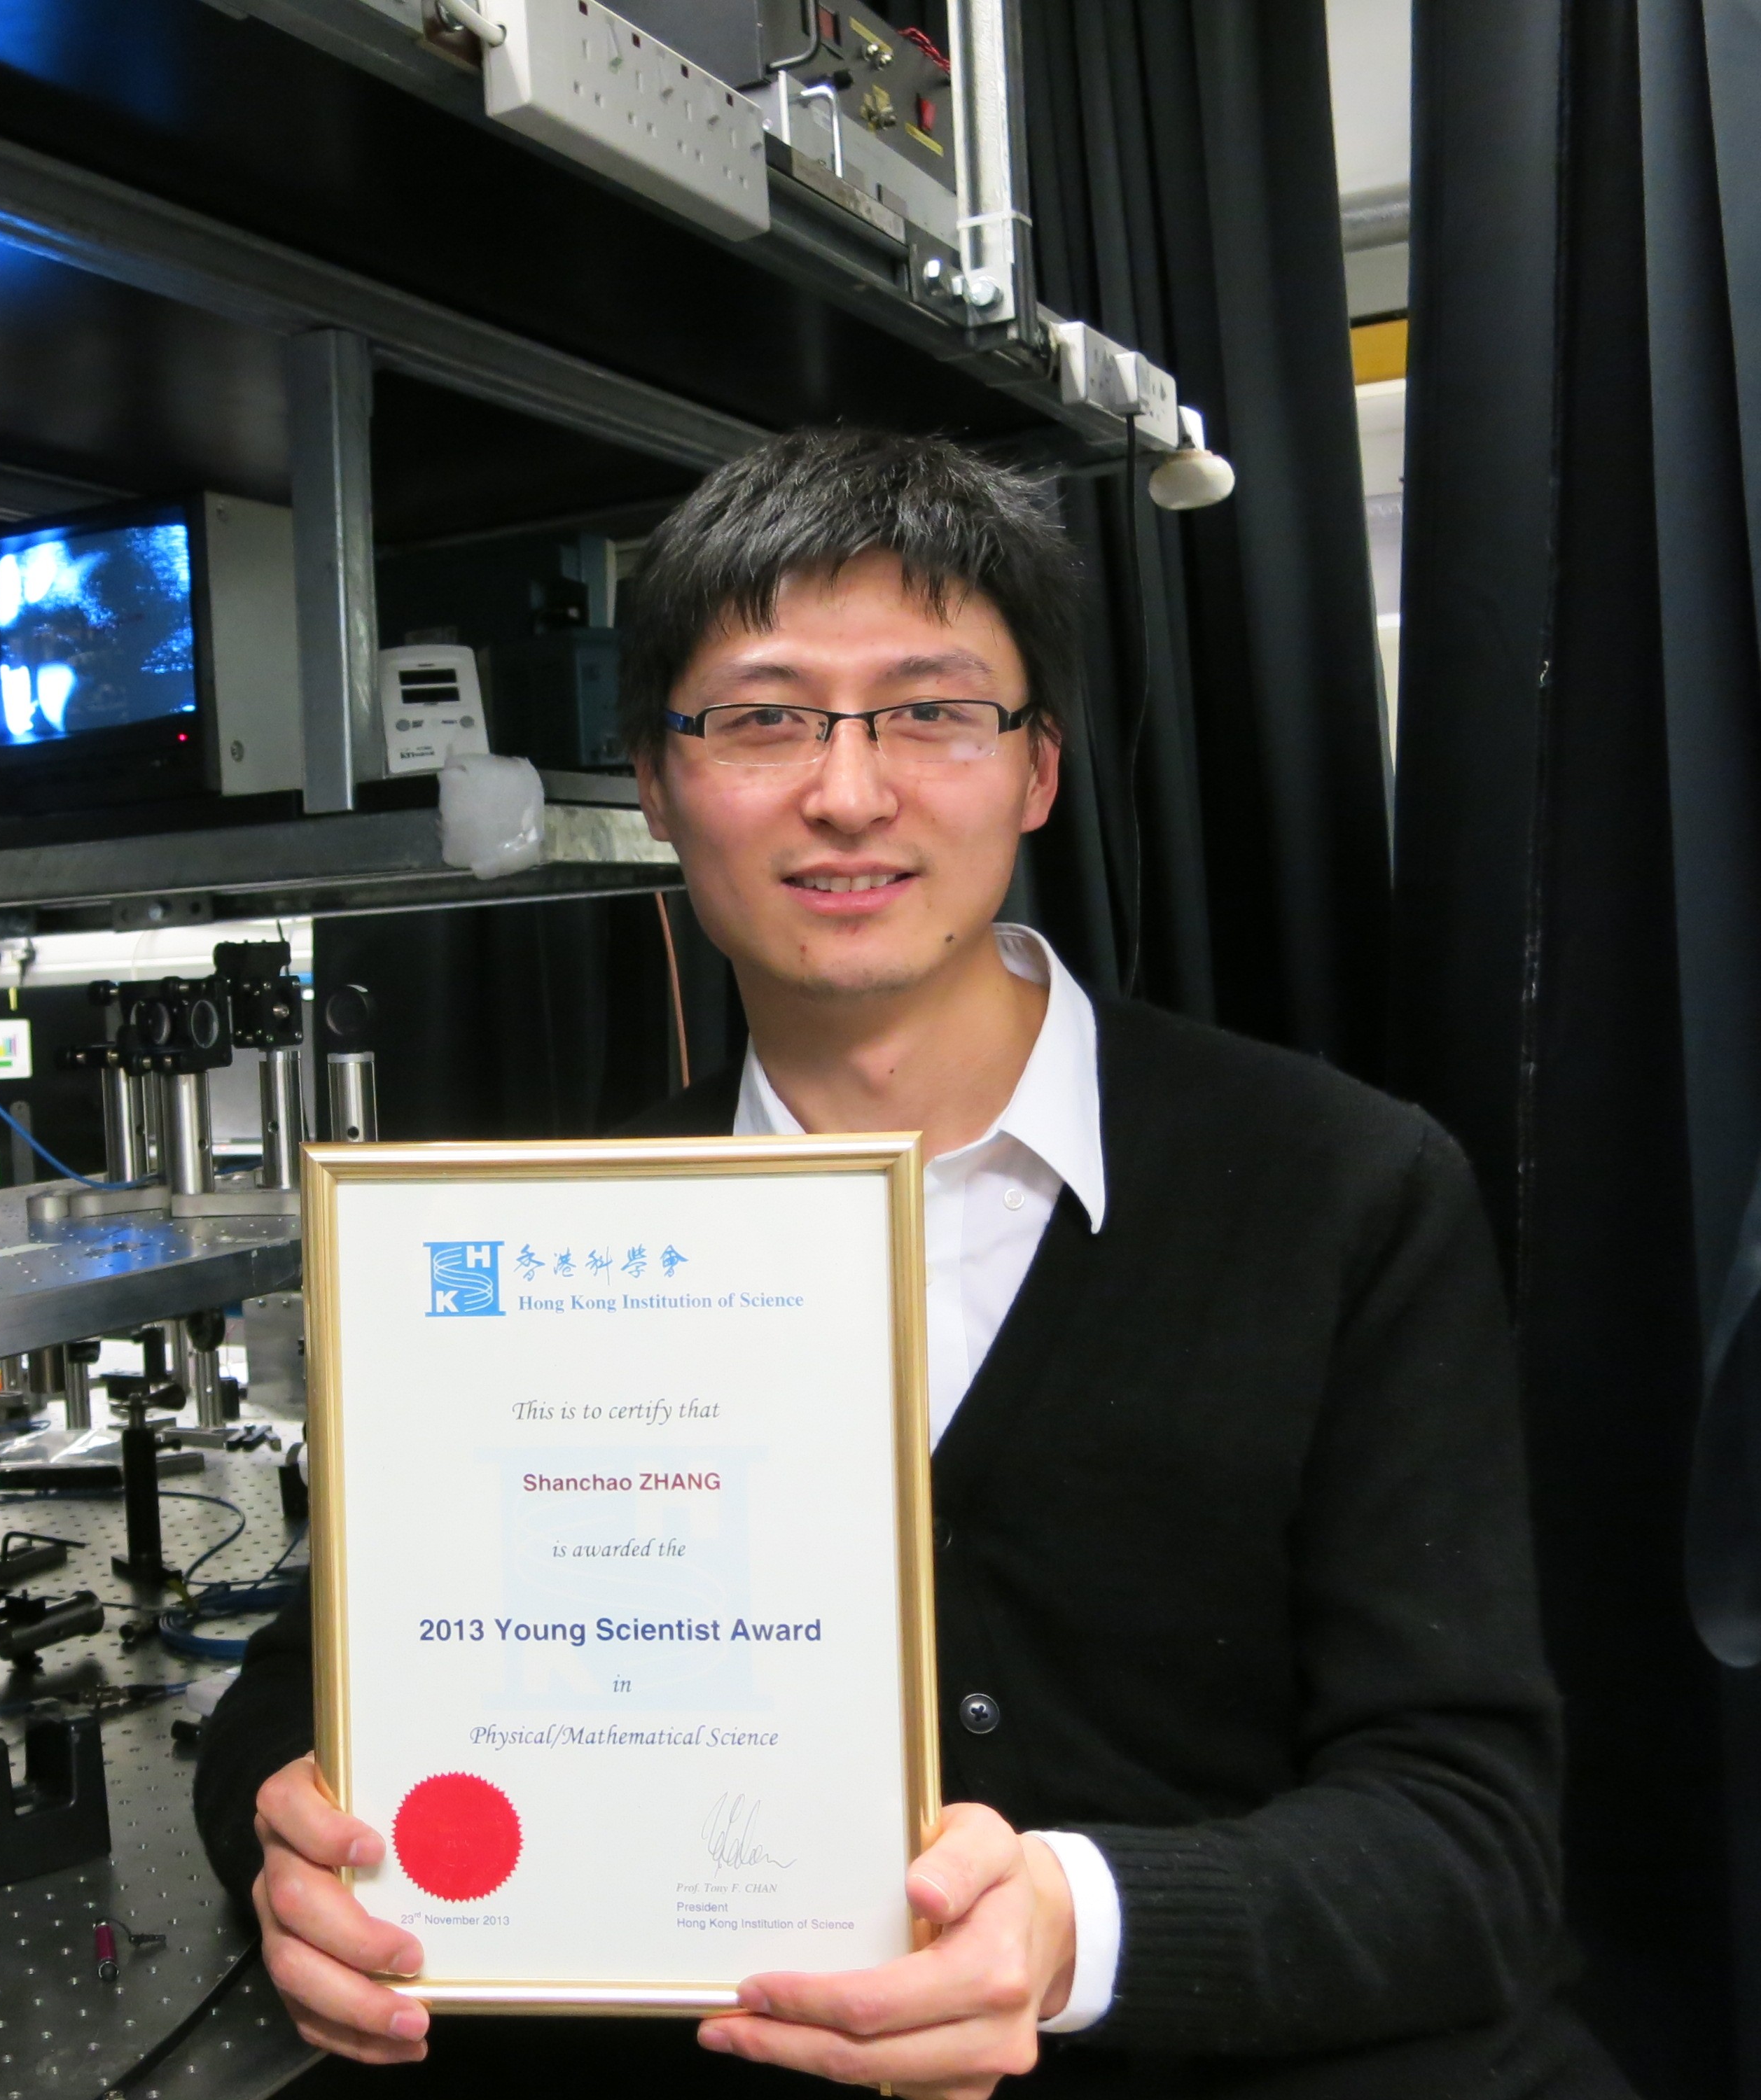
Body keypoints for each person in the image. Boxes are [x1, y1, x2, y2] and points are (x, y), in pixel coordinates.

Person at [192, 428, 1635, 2098]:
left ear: (1033, 771)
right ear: (654, 785)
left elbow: (1463, 1843)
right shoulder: (532, 1250)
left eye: (932, 712)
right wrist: (277, 1842)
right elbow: (298, 1699)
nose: (849, 791)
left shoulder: (1342, 1193)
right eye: (760, 717)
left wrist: (1069, 1928)